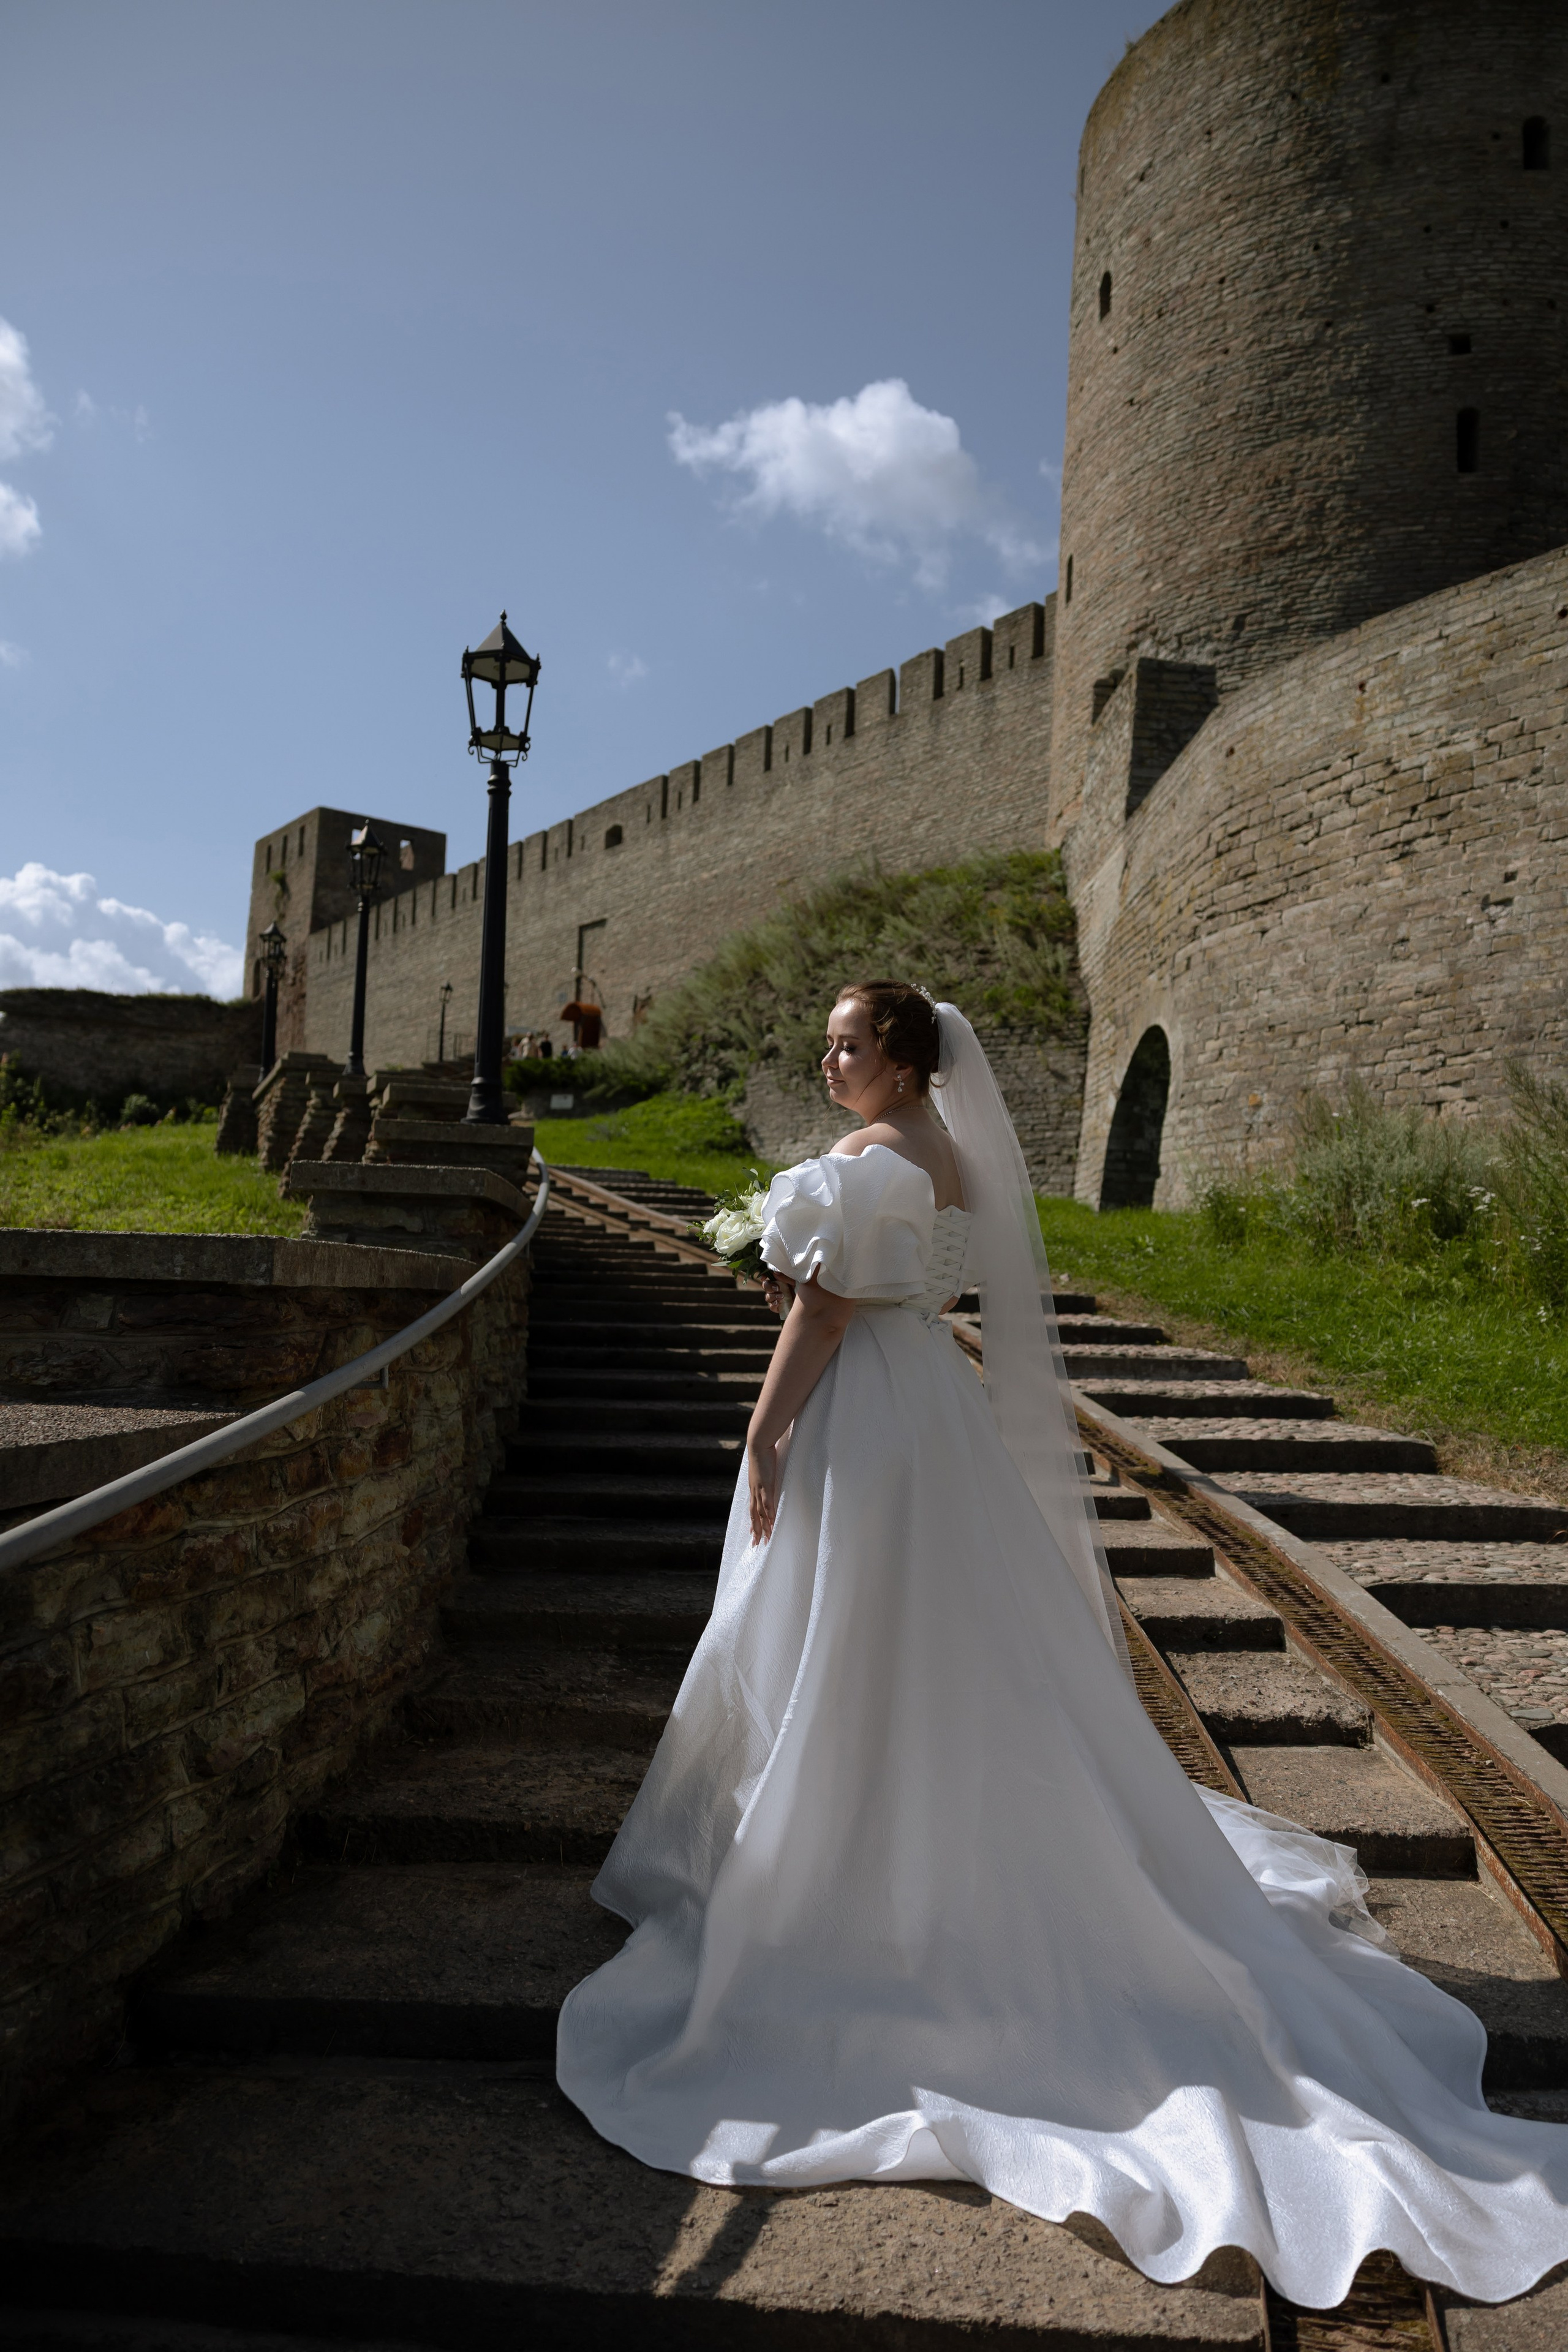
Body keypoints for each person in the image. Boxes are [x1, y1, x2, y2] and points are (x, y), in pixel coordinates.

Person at [557, 981, 1568, 2310]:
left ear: (909, 1061)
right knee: (941, 1643)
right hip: (933, 1410)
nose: (831, 1058)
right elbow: (896, 1283)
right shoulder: (955, 1157)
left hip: (866, 1411)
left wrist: (760, 1430)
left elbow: (823, 1313)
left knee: (835, 1627)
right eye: (832, 1042)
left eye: (853, 1042)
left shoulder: (868, 1158)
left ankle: (833, 1873)